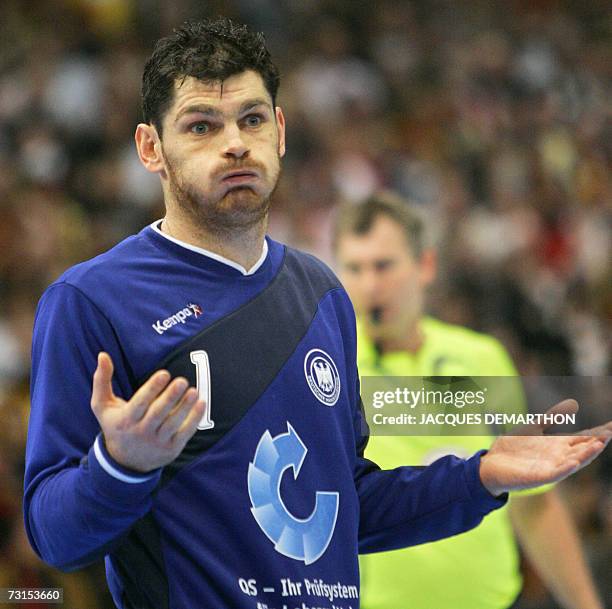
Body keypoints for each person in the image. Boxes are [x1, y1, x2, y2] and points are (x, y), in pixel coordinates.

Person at [24, 18, 610, 609]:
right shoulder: (92, 300)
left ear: (279, 131)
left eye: (251, 119)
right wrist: (119, 465)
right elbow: (54, 538)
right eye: (201, 126)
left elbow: (346, 505)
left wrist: (478, 476)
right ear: (151, 148)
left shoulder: (321, 293)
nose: (234, 143)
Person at [334, 191, 605, 609]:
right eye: (354, 268)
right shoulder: (328, 369)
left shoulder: (479, 358)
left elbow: (533, 503)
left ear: (425, 265)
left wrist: (585, 604)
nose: (370, 285)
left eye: (383, 266)